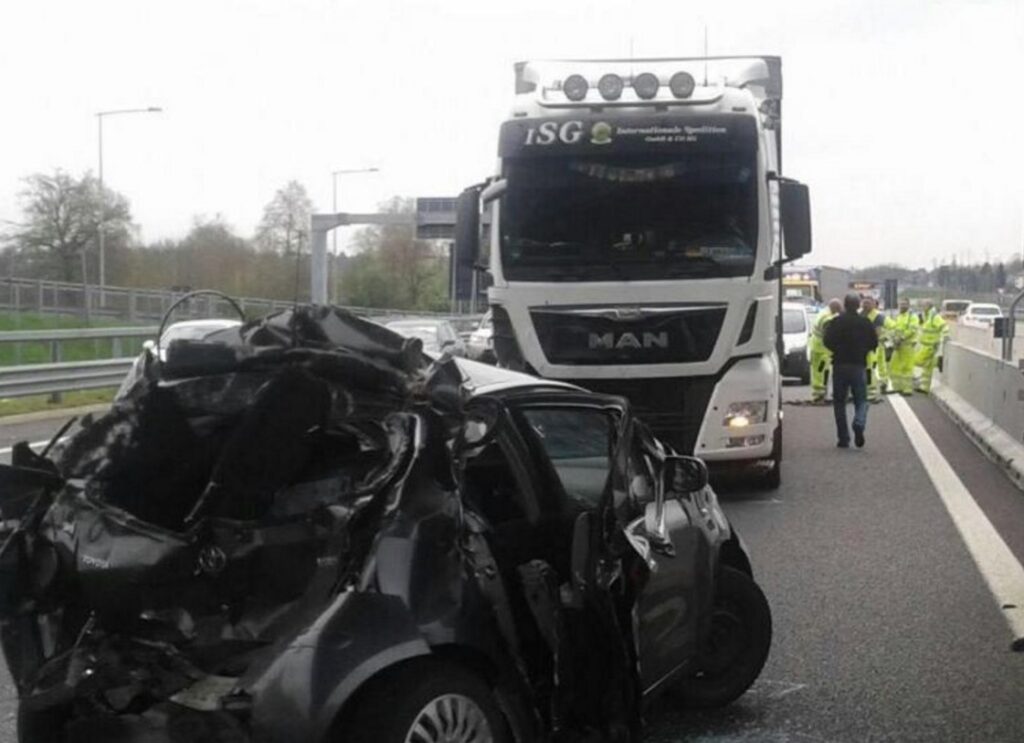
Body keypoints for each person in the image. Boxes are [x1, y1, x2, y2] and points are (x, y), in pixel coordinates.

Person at [824, 293, 879, 448]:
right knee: (861, 399)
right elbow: (874, 342)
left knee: (839, 403)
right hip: (858, 365)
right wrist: (863, 350)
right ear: (858, 305)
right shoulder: (865, 322)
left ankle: (843, 438)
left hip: (840, 365)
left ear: (845, 305)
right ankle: (859, 422)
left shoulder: (836, 322)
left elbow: (827, 341)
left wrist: (837, 349)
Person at [808, 299, 842, 403]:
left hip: (817, 347)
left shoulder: (824, 312)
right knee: (821, 372)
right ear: (834, 308)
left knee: (818, 371)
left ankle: (819, 393)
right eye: (838, 310)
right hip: (821, 349)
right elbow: (829, 334)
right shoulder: (827, 318)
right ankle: (819, 394)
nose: (838, 313)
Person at [914, 299, 949, 394]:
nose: (922, 307)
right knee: (926, 368)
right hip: (926, 344)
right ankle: (924, 387)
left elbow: (943, 326)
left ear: (929, 306)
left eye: (924, 305)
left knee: (918, 361)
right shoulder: (926, 316)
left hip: (931, 345)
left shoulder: (934, 316)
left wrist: (945, 336)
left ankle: (937, 362)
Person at [888, 298, 919, 395]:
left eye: (904, 304)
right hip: (898, 345)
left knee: (907, 367)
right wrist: (893, 339)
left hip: (907, 345)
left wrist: (901, 338)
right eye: (901, 304)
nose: (902, 306)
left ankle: (907, 389)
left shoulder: (912, 317)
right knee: (894, 366)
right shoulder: (899, 316)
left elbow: (912, 330)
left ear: (908, 305)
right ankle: (897, 387)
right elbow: (895, 328)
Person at [861, 297, 889, 402]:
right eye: (864, 303)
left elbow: (878, 332)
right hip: (864, 346)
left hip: (875, 346)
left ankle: (872, 391)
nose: (865, 305)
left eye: (868, 303)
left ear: (873, 304)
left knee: (871, 368)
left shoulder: (877, 316)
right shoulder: (861, 314)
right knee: (867, 369)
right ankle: (869, 389)